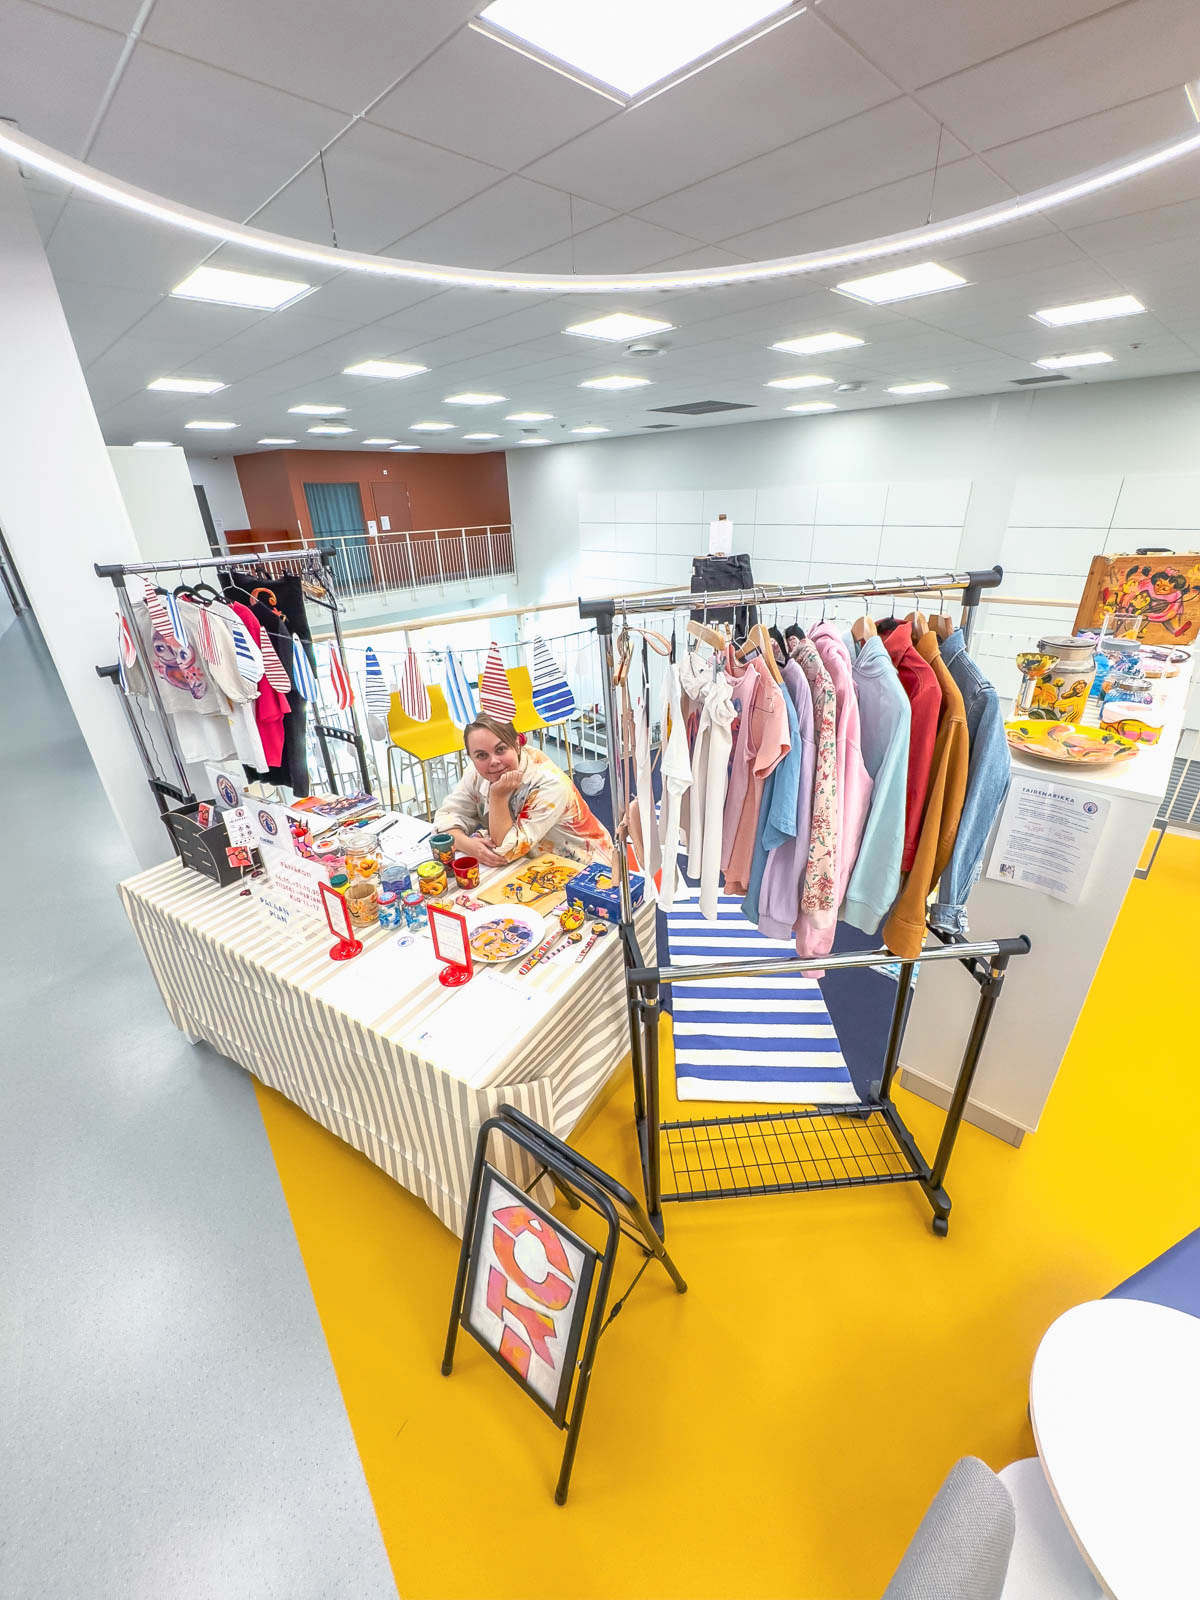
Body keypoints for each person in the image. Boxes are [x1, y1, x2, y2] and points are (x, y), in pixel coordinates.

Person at [435, 714, 613, 869]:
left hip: (585, 868)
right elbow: (445, 820)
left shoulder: (549, 784)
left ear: (517, 744)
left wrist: (498, 797)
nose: (493, 761)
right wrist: (470, 846)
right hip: (530, 863)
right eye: (481, 755)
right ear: (471, 756)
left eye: (501, 749)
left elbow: (505, 851)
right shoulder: (475, 773)